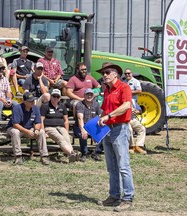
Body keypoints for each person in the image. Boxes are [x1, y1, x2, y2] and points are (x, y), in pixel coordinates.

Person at [97, 62, 134, 212]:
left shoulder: (124, 87)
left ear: (115, 73)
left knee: (123, 166)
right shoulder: (106, 89)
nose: (104, 75)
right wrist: (97, 127)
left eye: (107, 72)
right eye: (103, 73)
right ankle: (114, 196)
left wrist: (109, 116)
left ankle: (128, 198)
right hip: (108, 130)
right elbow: (104, 110)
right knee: (112, 167)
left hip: (120, 129)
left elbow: (127, 105)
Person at [7, 92, 50, 165]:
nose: (32, 102)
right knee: (15, 132)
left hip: (29, 128)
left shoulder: (35, 108)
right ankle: (18, 156)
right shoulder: (17, 108)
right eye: (30, 101)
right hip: (15, 128)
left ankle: (44, 156)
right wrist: (27, 131)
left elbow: (38, 122)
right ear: (24, 101)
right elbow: (15, 125)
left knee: (41, 132)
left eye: (33, 100)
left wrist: (36, 129)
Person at [40, 89, 76, 163]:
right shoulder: (45, 106)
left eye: (57, 97)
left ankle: (72, 154)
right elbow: (41, 120)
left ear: (60, 98)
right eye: (54, 96)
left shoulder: (62, 106)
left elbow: (66, 120)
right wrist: (43, 131)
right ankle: (71, 153)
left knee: (66, 138)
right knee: (60, 138)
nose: (55, 98)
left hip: (61, 126)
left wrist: (67, 131)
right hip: (49, 127)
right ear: (51, 96)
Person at [74, 88, 102, 162]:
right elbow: (80, 118)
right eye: (87, 94)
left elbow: (100, 116)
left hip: (92, 125)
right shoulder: (79, 104)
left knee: (103, 133)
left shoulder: (96, 104)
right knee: (82, 135)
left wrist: (95, 131)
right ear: (84, 95)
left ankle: (97, 152)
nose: (89, 96)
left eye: (91, 94)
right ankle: (84, 153)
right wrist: (83, 130)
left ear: (93, 96)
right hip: (81, 125)